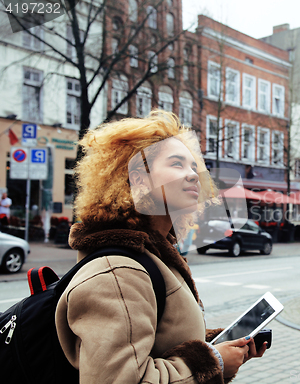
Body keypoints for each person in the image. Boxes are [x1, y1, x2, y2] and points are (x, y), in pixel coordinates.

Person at [55, 111, 266, 384]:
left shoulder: (155, 256)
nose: (194, 175)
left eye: (193, 166)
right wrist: (214, 362)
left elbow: (157, 341)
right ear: (140, 180)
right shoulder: (118, 273)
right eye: (177, 164)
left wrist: (218, 346)